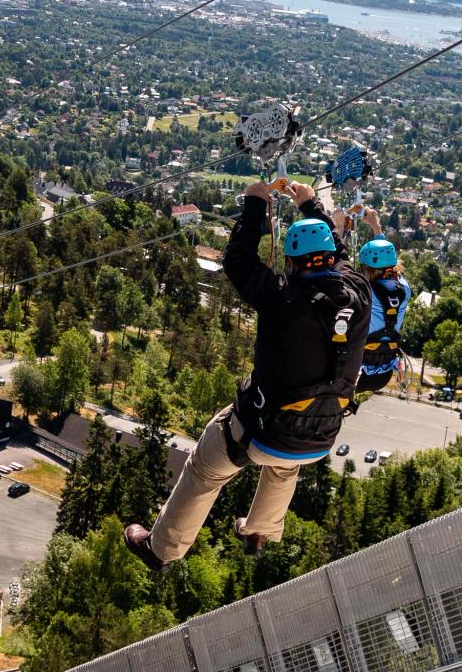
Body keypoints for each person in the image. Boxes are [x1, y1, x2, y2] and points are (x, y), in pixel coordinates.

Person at [126, 179, 369, 567]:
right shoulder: (358, 292)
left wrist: (256, 201)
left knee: (205, 468)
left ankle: (161, 549)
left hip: (263, 428)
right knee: (284, 465)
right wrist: (310, 206)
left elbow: (238, 260)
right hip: (320, 434)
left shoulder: (281, 296)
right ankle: (260, 531)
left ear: (290, 262)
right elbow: (338, 256)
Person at [351, 221, 411, 402]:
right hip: (383, 375)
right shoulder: (405, 289)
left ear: (367, 270)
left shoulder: (364, 292)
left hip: (356, 373)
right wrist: (377, 227)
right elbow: (389, 259)